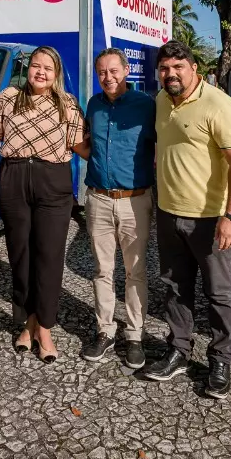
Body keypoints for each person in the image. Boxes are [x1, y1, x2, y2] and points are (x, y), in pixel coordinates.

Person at [139, 40, 231, 400]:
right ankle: (179, 351)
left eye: (178, 68)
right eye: (165, 68)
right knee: (175, 287)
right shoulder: (160, 101)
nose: (171, 74)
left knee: (218, 294)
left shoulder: (219, 105)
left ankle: (220, 360)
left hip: (209, 219)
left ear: (194, 69)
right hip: (170, 214)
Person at [0, 45, 86, 363]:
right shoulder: (7, 97)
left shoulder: (67, 104)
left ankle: (44, 327)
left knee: (48, 258)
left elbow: (79, 144)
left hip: (53, 183)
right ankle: (26, 322)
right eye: (35, 65)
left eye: (47, 67)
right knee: (20, 257)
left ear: (56, 73)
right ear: (28, 68)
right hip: (14, 179)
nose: (40, 72)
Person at [76, 48, 156, 368]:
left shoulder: (146, 106)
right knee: (102, 270)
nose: (107, 78)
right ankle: (105, 330)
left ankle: (135, 334)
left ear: (126, 71)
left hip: (135, 201)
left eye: (113, 71)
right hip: (98, 199)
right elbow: (84, 143)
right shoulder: (94, 105)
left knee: (135, 271)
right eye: (101, 73)